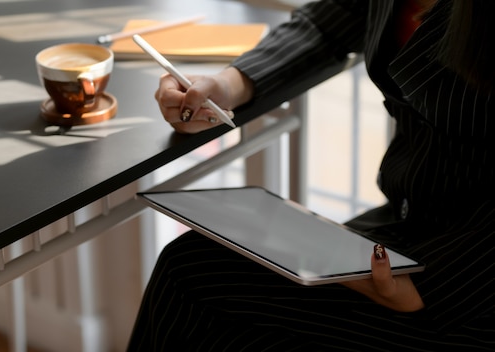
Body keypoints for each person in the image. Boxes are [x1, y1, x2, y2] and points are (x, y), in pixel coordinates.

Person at [128, 0, 495, 350]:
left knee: (192, 268)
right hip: (402, 231)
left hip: (470, 279)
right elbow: (327, 24)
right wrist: (227, 86)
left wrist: (432, 288)